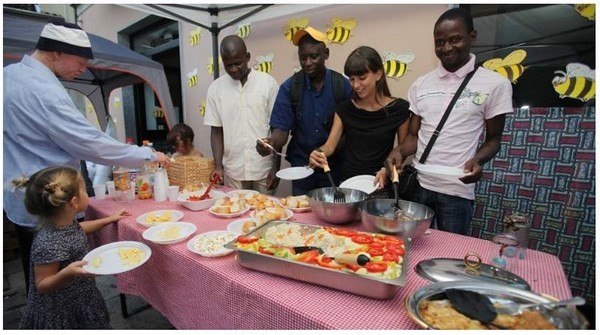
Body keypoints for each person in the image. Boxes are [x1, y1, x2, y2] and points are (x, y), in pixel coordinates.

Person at [3, 21, 170, 292]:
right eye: (80, 61)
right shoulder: (44, 91)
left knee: (36, 275)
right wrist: (147, 154)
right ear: (57, 53)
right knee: (61, 283)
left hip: (23, 200)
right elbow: (90, 143)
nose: (84, 68)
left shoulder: (8, 75)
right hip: (49, 207)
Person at [386, 8, 513, 235]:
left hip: (457, 189)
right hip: (419, 185)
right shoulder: (421, 84)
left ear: (472, 37)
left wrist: (477, 160)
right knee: (412, 246)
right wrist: (398, 152)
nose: (446, 48)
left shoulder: (495, 84)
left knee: (450, 255)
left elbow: (494, 139)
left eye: (455, 39)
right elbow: (415, 137)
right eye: (439, 42)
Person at [13, 166, 130, 329]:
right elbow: (42, 284)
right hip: (63, 310)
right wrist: (67, 273)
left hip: (82, 295)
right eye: (84, 189)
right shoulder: (48, 243)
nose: (86, 192)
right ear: (74, 202)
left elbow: (78, 229)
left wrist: (108, 220)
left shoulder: (64, 223)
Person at [256, 27, 353, 196]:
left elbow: (353, 129)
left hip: (335, 168)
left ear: (326, 54)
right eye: (303, 58)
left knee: (334, 216)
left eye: (313, 56)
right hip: (302, 169)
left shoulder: (342, 85)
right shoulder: (289, 88)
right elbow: (281, 130)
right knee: (302, 214)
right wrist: (271, 142)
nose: (308, 62)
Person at [308, 46, 410, 196]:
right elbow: (329, 146)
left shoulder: (399, 109)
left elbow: (403, 151)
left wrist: (386, 170)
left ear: (378, 74)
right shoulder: (345, 109)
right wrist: (318, 153)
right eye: (352, 79)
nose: (356, 85)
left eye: (362, 78)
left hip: (381, 185)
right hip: (349, 185)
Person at [204, 35, 279, 194]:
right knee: (234, 213)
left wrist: (276, 167)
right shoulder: (215, 89)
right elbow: (216, 131)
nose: (233, 69)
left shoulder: (267, 83)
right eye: (228, 65)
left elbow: (277, 128)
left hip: (263, 169)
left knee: (265, 214)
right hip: (233, 171)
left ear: (247, 57)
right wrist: (218, 166)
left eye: (238, 63)